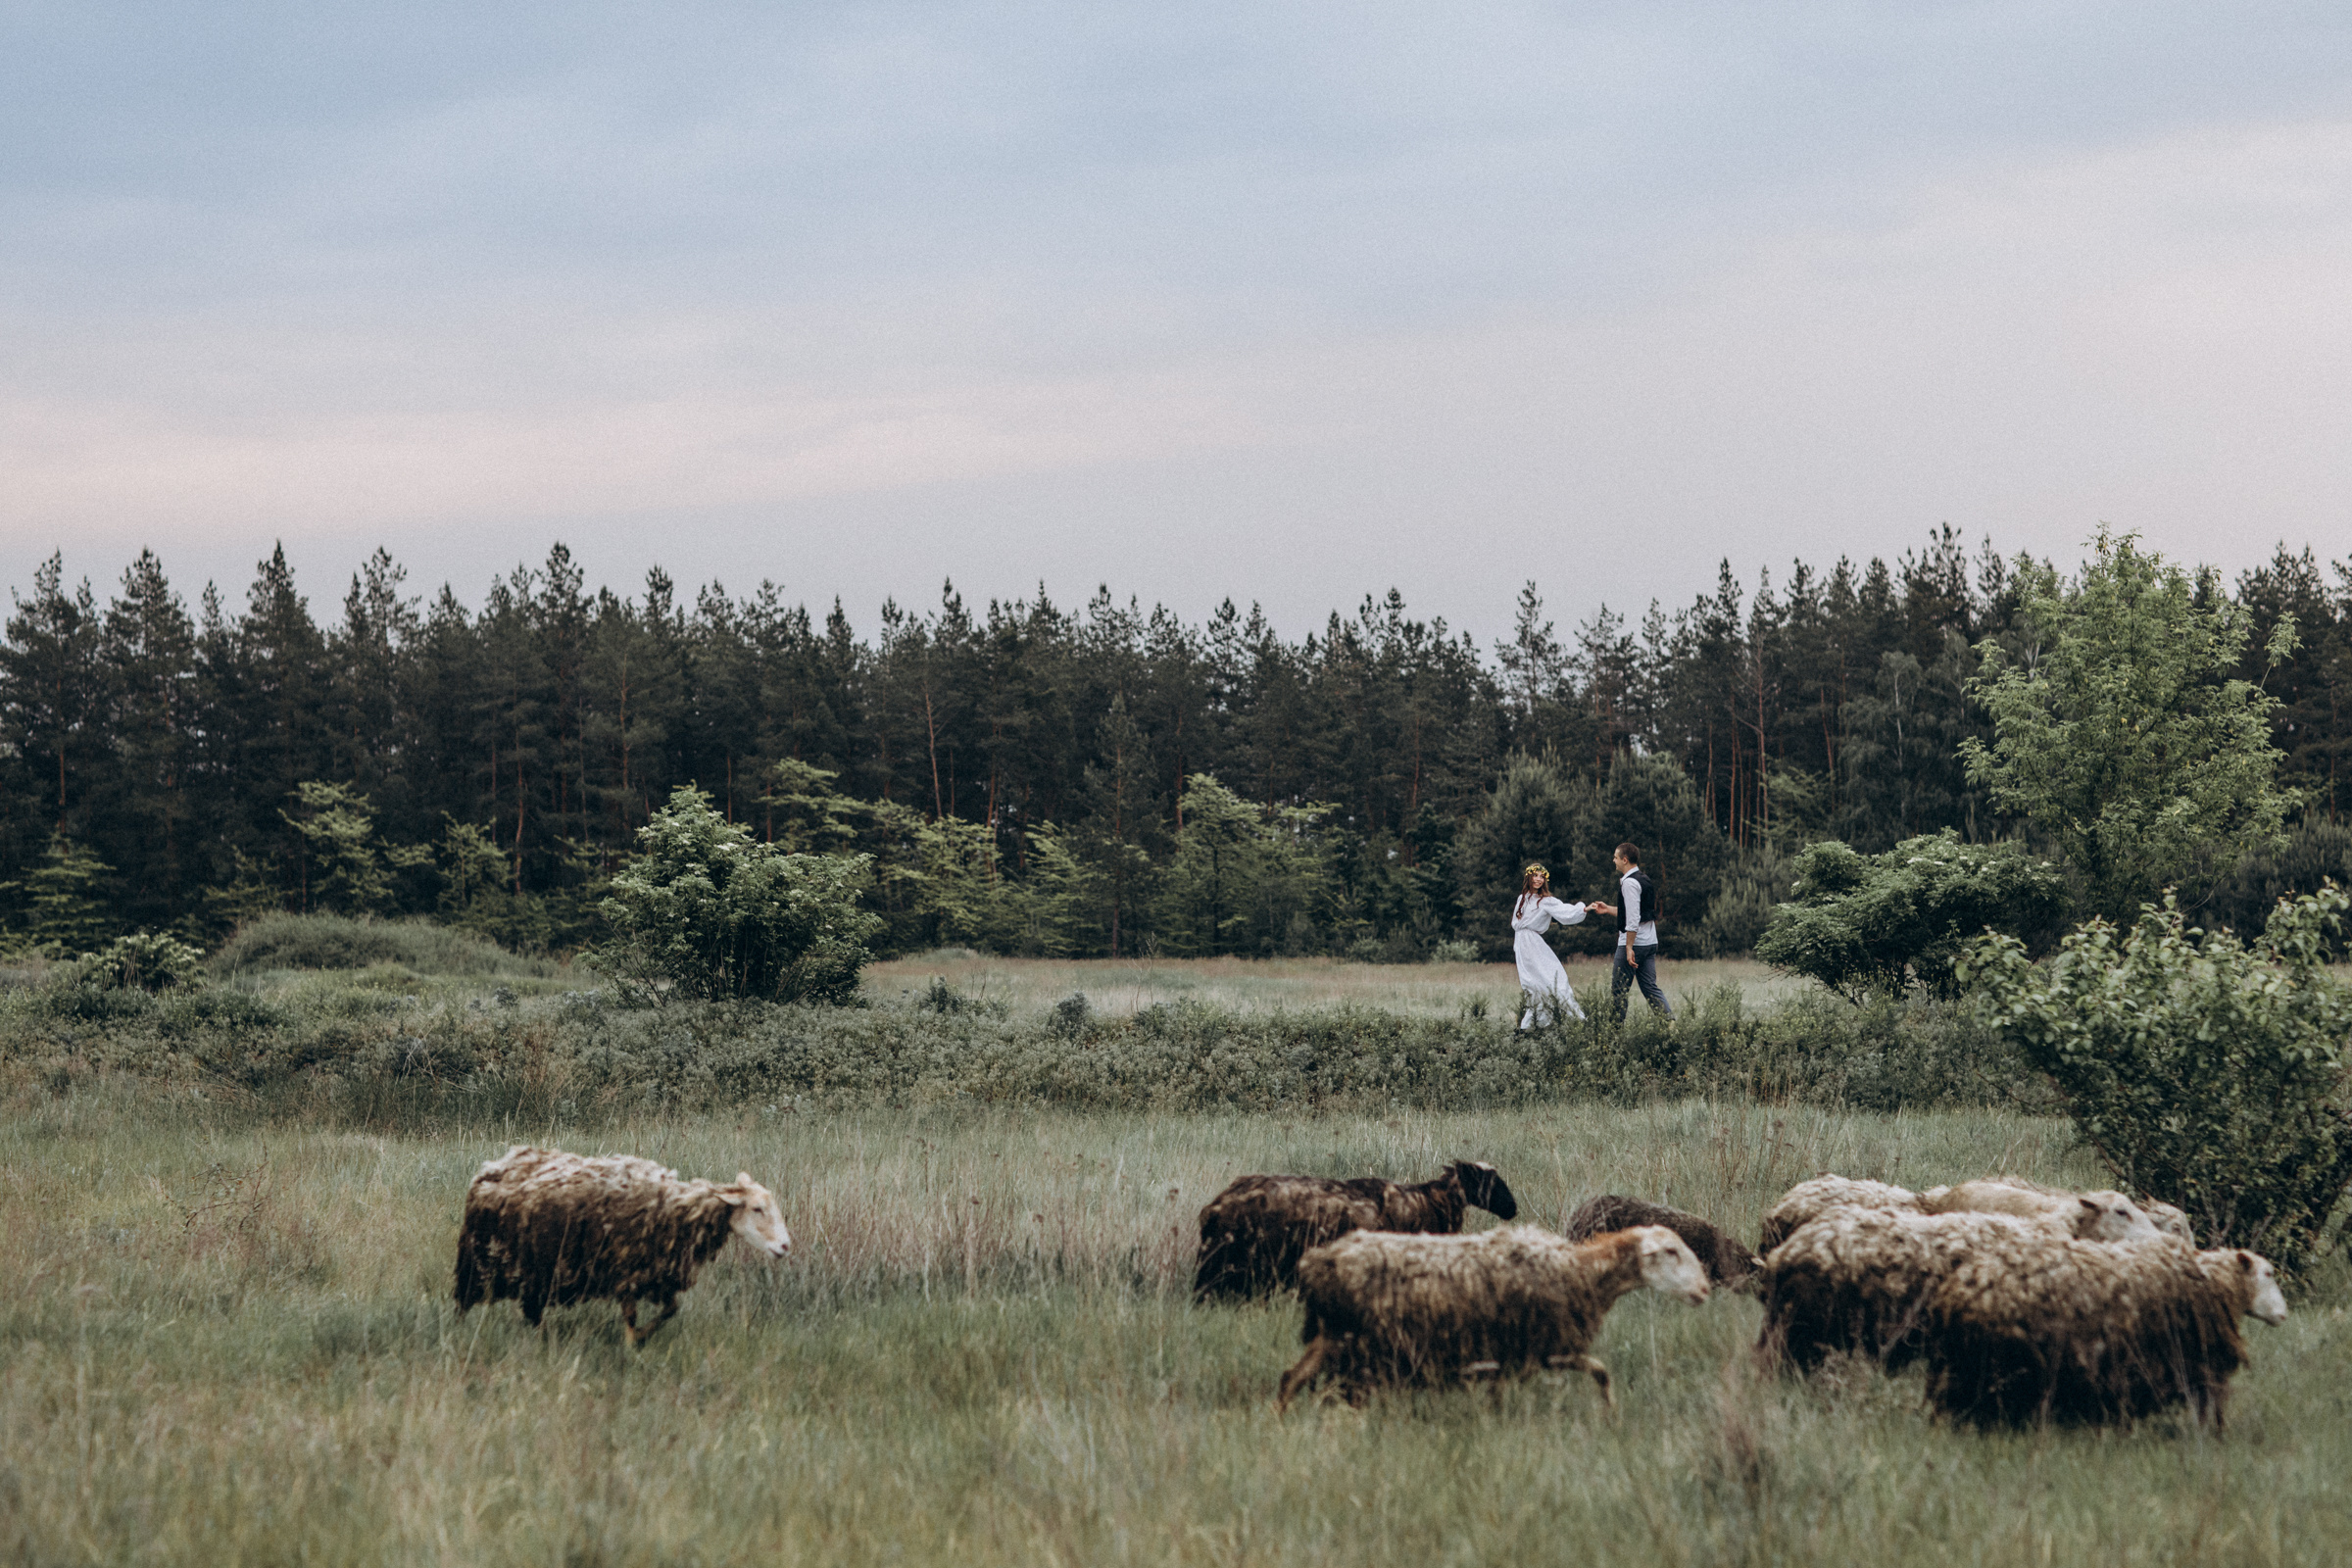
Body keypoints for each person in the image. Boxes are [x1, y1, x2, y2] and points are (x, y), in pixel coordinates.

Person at [1511, 863, 1610, 1029]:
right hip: (1522, 945)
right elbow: (1517, 923)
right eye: (1535, 875)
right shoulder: (1522, 898)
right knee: (1533, 985)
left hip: (1534, 944)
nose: (1538, 879)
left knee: (1553, 977)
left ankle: (1579, 1020)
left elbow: (1565, 912)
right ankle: (1531, 1026)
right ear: (1528, 877)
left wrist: (1584, 909)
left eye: (1541, 877)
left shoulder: (1546, 901)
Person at [1610, 842, 1672, 1020]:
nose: (1613, 860)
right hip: (1650, 942)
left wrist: (1629, 947)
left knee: (1618, 992)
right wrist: (1607, 909)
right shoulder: (1643, 879)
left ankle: (1613, 1037)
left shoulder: (1629, 883)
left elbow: (1633, 918)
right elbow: (1634, 912)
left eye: (1615, 857)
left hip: (1634, 944)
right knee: (1650, 988)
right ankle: (1669, 1024)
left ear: (1624, 859)